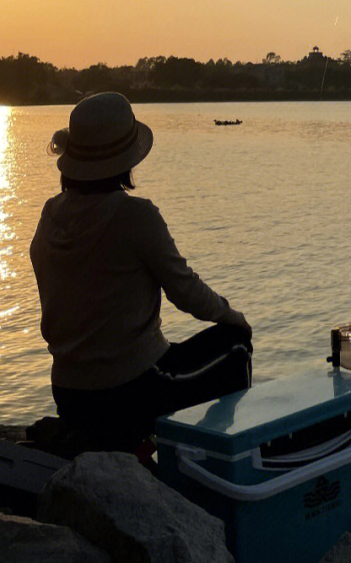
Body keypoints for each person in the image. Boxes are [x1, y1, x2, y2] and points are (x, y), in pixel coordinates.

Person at [30, 91, 252, 452]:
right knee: (235, 345)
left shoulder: (50, 214)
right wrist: (234, 316)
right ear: (125, 162)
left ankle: (140, 450)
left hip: (68, 393)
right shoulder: (135, 216)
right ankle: (220, 466)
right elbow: (185, 291)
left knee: (179, 356)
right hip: (128, 392)